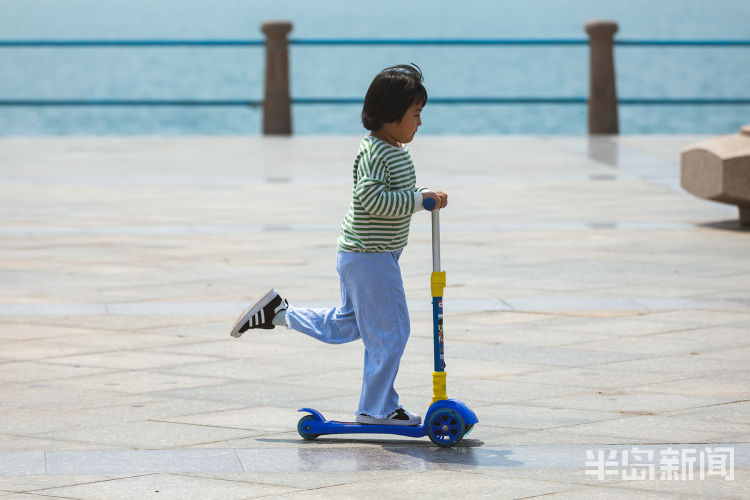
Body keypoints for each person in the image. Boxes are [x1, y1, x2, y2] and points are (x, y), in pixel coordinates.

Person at [230, 64, 447, 426]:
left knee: (349, 325)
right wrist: (418, 200)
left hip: (366, 254)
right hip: (370, 257)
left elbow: (395, 193)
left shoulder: (391, 148)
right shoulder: (376, 153)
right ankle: (377, 409)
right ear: (392, 115)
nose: (419, 124)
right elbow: (373, 200)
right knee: (392, 331)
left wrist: (419, 194)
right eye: (415, 115)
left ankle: (279, 312)